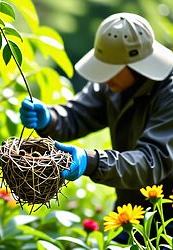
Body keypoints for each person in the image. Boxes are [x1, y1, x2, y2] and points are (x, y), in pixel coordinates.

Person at [19, 12, 173, 243]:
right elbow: (78, 114)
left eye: (110, 70)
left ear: (136, 65)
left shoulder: (169, 95)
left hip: (167, 223)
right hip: (131, 216)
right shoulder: (112, 84)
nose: (103, 78)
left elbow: (152, 161)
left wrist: (92, 161)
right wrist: (50, 118)